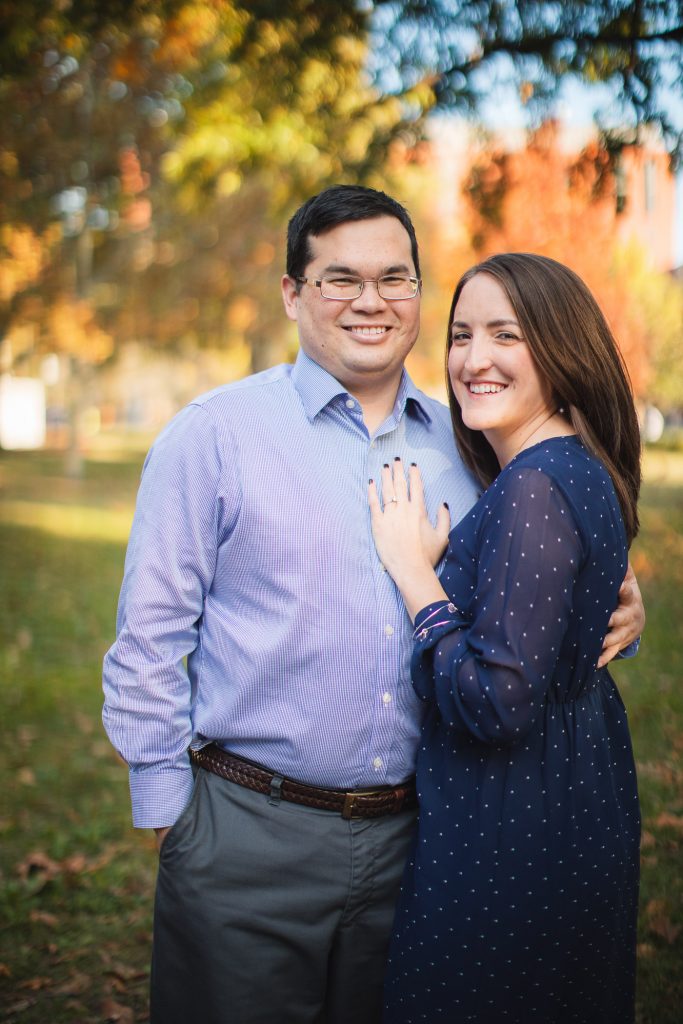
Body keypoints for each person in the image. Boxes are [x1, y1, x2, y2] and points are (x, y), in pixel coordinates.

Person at [102, 188, 643, 1024]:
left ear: (418, 292)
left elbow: (533, 585)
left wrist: (621, 604)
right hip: (250, 831)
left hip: (421, 841)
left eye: (394, 278)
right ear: (292, 292)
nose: (370, 301)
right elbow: (147, 636)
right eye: (338, 279)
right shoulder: (215, 435)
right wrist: (176, 820)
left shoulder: (468, 439)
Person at [368, 253, 642, 1024]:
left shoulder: (530, 486)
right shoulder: (577, 467)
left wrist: (414, 576)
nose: (472, 358)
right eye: (459, 335)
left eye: (504, 335)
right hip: (571, 792)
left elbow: (497, 701)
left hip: (510, 820)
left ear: (560, 349)